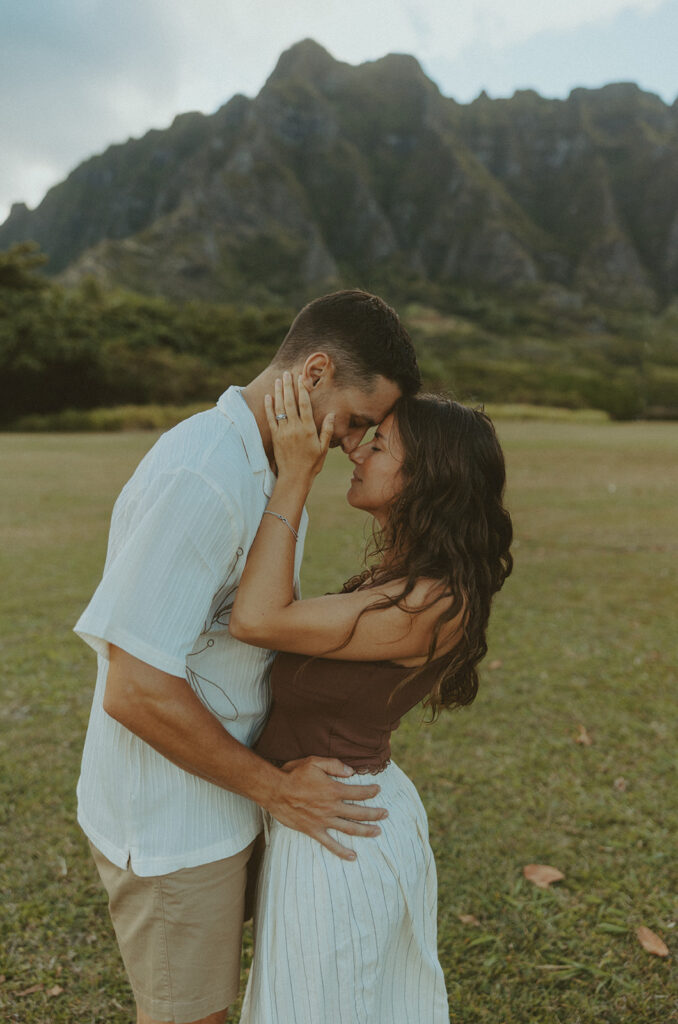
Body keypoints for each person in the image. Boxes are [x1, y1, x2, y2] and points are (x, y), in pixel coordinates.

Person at [74, 290, 421, 1024]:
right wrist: (277, 790)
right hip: (173, 823)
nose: (356, 444)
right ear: (315, 373)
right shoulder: (206, 474)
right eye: (357, 421)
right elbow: (133, 687)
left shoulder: (271, 464)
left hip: (218, 799)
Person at [228, 375, 513, 1023]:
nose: (356, 452)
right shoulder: (406, 578)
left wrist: (295, 476)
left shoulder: (431, 601)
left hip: (342, 830)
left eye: (379, 446)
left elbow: (257, 619)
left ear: (426, 479)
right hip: (335, 811)